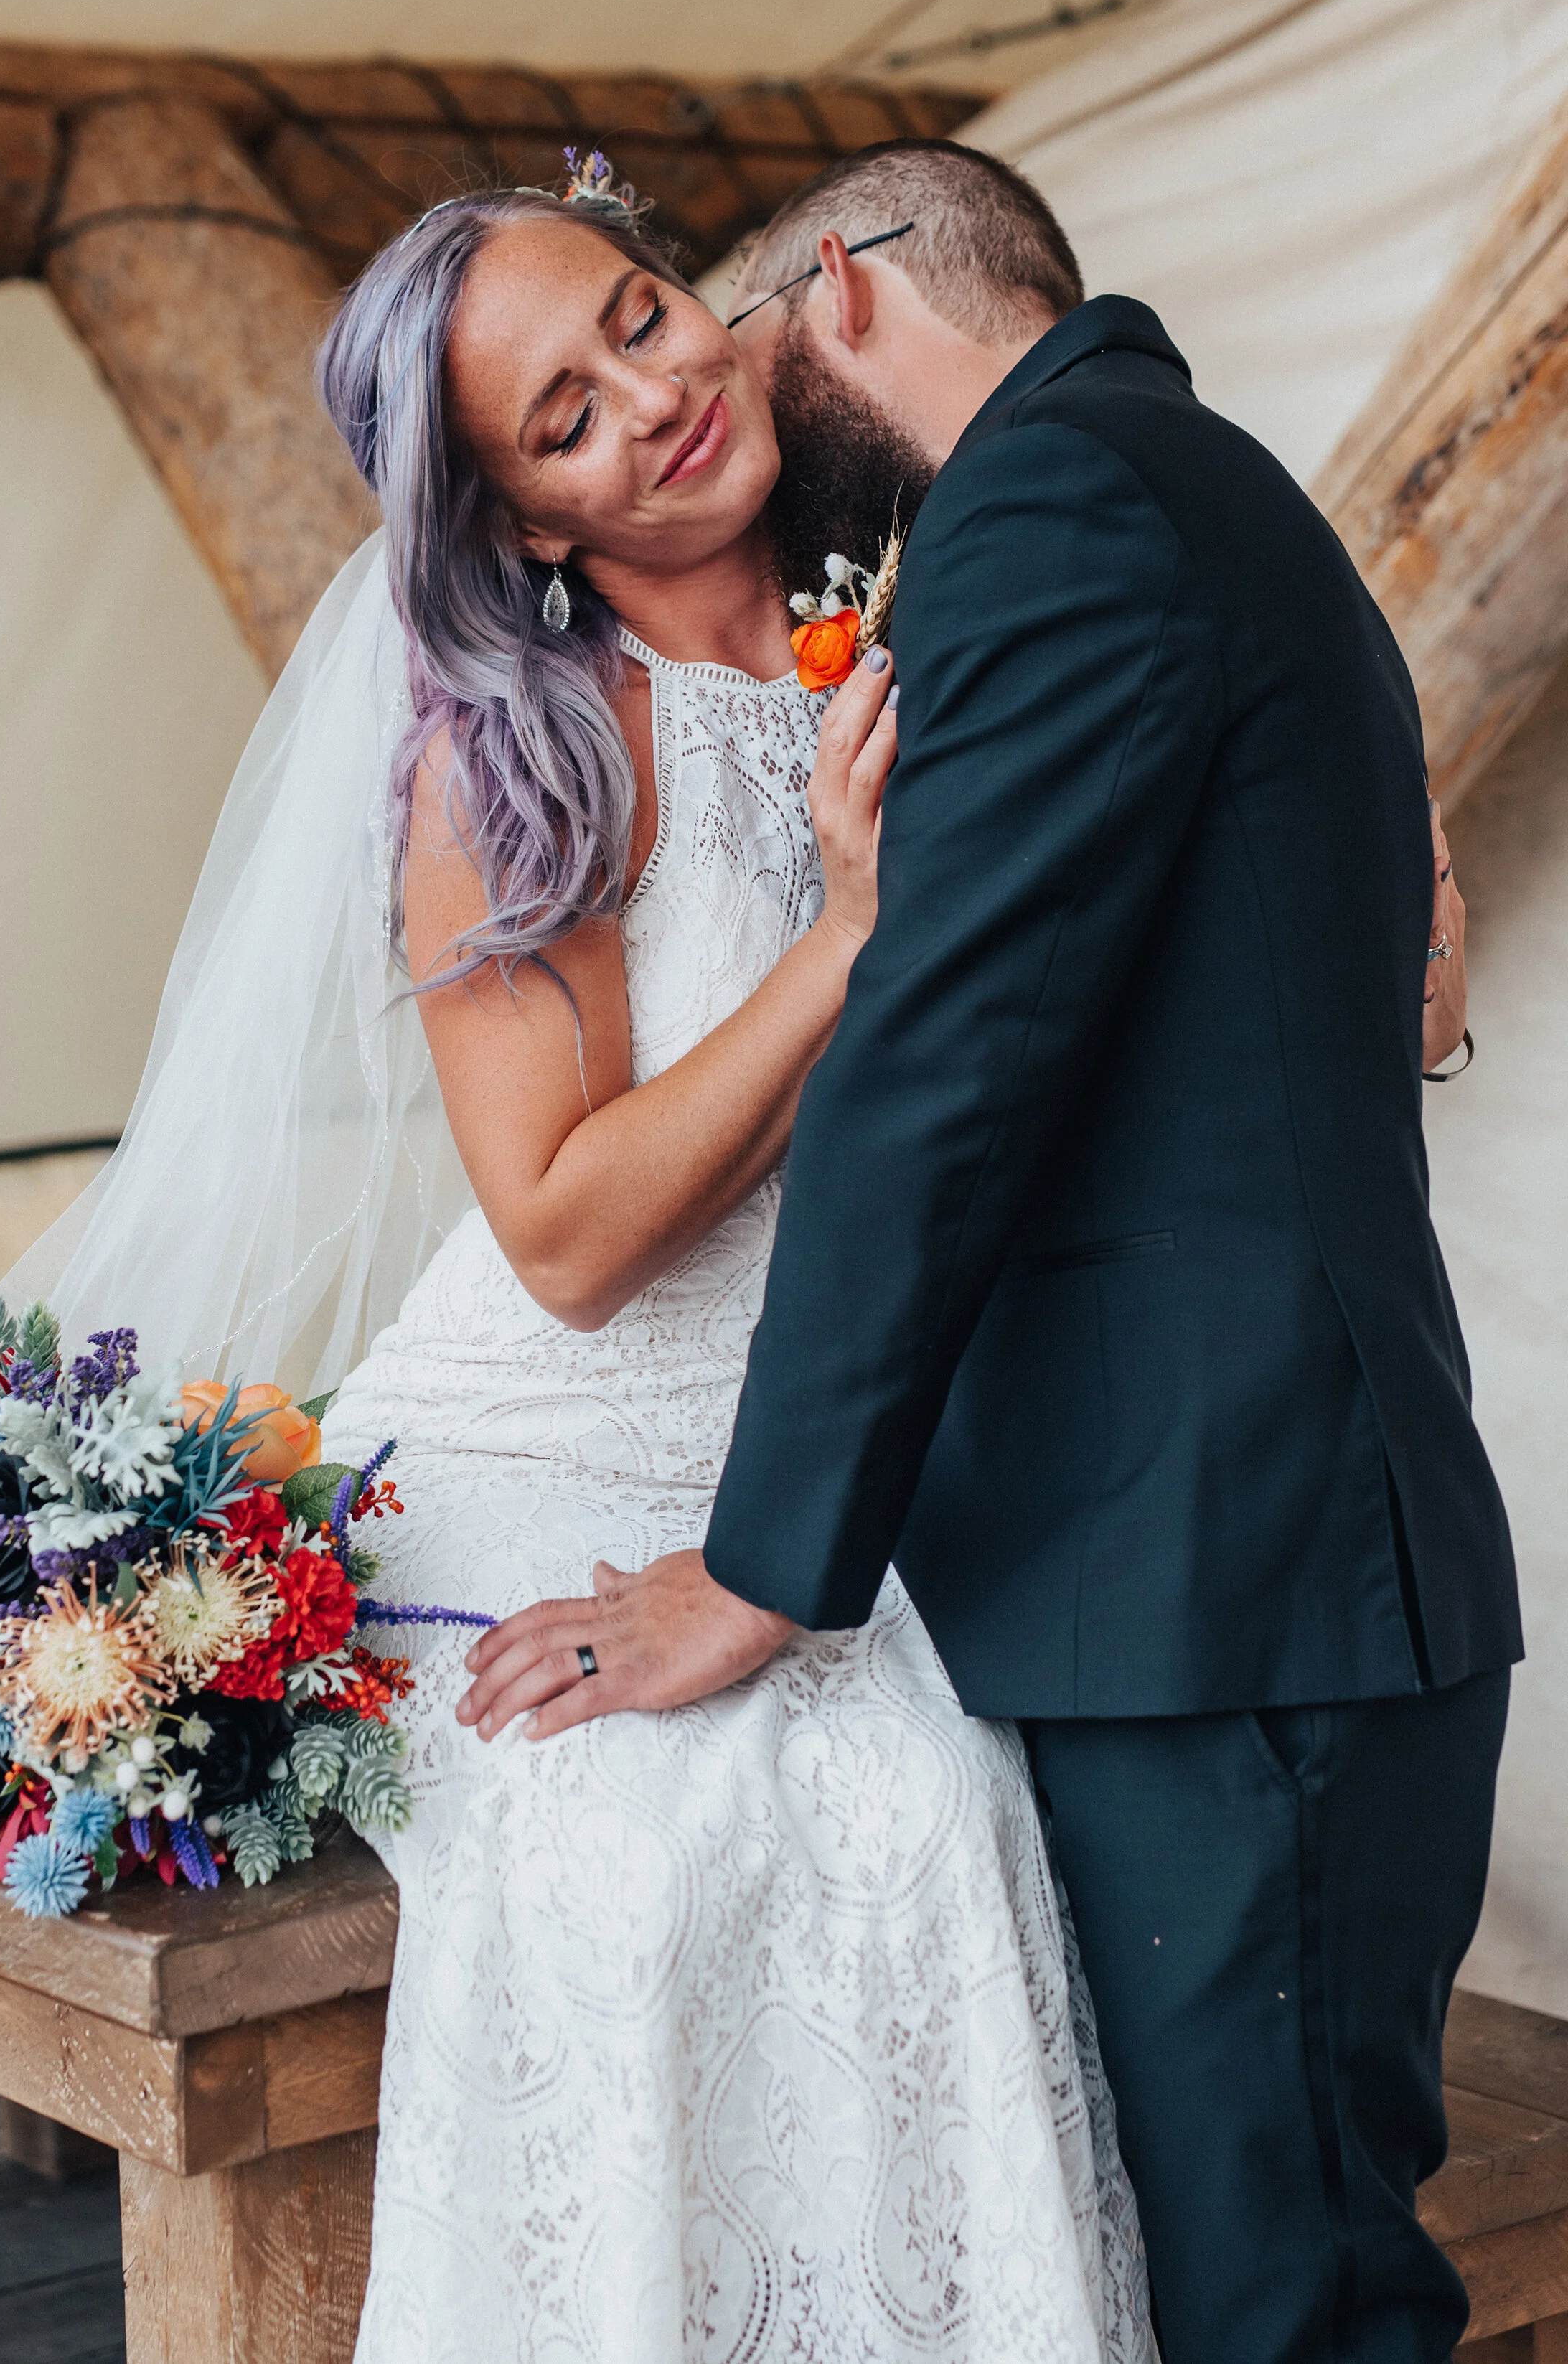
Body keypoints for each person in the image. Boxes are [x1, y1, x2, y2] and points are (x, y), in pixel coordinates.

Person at [469, 140, 1520, 2363]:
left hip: (1232, 1590)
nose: (703, 381)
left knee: (1289, 2308)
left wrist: (760, 1573)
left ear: (841, 288)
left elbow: (949, 1065)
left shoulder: (1048, 506)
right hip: (1204, 1569)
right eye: (570, 408)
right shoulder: (1165, 482)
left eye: (698, 317)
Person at [306, 169, 1157, 2362]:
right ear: (522, 525)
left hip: (820, 1429)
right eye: (566, 421)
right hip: (536, 1443)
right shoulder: (522, 757)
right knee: (658, 1829)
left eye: (640, 315)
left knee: (948, 1791)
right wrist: (855, 935)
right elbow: (567, 1237)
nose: (658, 395)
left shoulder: (912, 593)